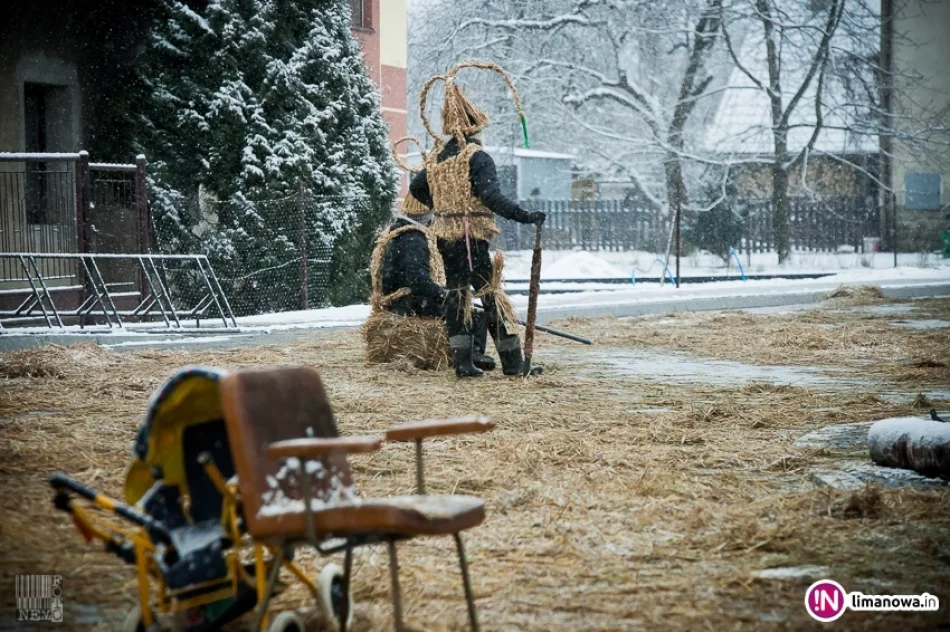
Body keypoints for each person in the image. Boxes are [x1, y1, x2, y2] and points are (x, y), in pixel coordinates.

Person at [409, 84, 545, 378]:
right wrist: (524, 216)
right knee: (490, 294)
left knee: (456, 294)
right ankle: (512, 361)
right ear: (476, 127)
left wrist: (442, 207)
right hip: (471, 237)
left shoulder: (438, 160)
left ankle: (463, 362)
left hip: (446, 236)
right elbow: (491, 196)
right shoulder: (477, 157)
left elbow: (416, 186)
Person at [373, 205, 496, 371]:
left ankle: (465, 353)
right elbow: (418, 281)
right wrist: (444, 294)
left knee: (463, 306)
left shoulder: (399, 233)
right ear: (426, 218)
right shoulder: (414, 240)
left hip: (400, 300)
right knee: (472, 312)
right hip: (409, 303)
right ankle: (471, 355)